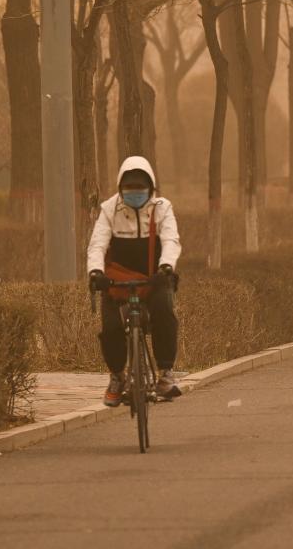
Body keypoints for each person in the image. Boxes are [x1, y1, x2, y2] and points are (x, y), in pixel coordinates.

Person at [87, 156, 182, 407]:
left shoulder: (162, 208)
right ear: (120, 189)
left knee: (164, 314)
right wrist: (96, 272)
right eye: (129, 189)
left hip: (154, 278)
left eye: (140, 189)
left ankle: (165, 374)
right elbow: (97, 244)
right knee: (110, 328)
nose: (135, 193)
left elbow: (171, 240)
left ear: (151, 189)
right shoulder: (109, 209)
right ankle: (117, 376)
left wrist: (167, 266)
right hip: (116, 281)